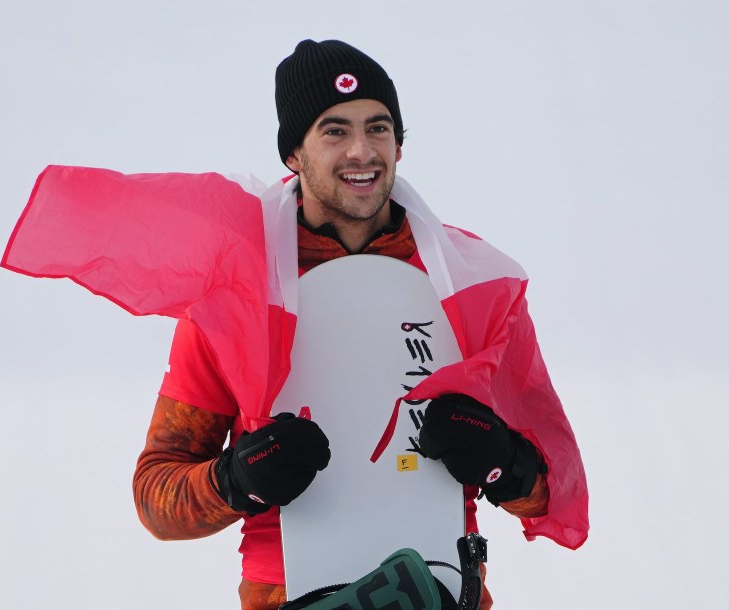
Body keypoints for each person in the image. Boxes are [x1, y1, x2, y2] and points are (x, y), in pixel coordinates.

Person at [131, 40, 588, 610]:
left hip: (442, 587)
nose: (362, 151)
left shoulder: (470, 284)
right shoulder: (237, 295)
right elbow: (156, 498)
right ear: (293, 153)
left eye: (378, 128)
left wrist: (502, 461)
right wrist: (235, 481)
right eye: (334, 130)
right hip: (289, 593)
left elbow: (554, 490)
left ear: (400, 142)